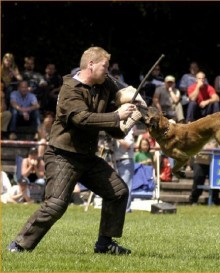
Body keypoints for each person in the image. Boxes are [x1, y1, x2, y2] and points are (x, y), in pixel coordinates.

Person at [7, 46, 136, 254]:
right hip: (62, 156)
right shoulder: (69, 90)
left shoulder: (104, 82)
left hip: (87, 157)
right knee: (56, 204)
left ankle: (104, 244)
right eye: (105, 66)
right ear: (90, 65)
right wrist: (117, 116)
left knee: (118, 192)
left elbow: (124, 92)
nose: (108, 71)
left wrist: (134, 108)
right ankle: (19, 245)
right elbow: (83, 119)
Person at [189, 140, 219, 205]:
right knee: (198, 177)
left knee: (215, 179)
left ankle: (214, 200)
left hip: (213, 161)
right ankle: (194, 199)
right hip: (199, 161)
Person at [112, 129, 135, 213]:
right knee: (116, 186)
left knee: (126, 186)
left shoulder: (128, 131)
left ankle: (126, 209)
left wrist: (115, 136)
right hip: (115, 160)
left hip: (126, 160)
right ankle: (117, 208)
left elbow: (127, 145)